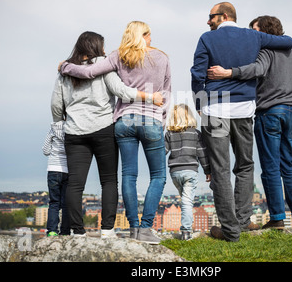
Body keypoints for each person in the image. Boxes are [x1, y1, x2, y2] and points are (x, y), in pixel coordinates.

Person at [191, 2, 292, 242]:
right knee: (245, 165)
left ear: (224, 16)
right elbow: (288, 41)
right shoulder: (254, 37)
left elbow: (197, 75)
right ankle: (241, 220)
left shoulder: (207, 39)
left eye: (211, 17)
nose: (208, 21)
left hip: (214, 108)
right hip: (244, 109)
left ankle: (230, 230)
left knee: (220, 169)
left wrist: (199, 106)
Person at [60, 21, 171, 244]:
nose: (151, 40)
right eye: (149, 36)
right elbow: (166, 92)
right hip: (151, 119)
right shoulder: (162, 57)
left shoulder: (117, 56)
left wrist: (65, 66)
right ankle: (146, 229)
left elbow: (89, 71)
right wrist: (162, 122)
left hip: (124, 120)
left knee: (128, 176)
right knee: (158, 175)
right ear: (145, 35)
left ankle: (133, 228)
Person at [207, 15, 292, 229]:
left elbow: (258, 70)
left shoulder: (266, 51)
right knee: (288, 165)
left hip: (270, 112)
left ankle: (278, 218)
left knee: (270, 167)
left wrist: (229, 72)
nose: (252, 34)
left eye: (255, 30)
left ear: (264, 31)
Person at [165, 104, 211, 240]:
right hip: (190, 171)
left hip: (175, 173)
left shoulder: (169, 134)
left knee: (184, 200)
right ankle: (186, 231)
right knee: (187, 201)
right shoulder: (195, 133)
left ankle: (186, 228)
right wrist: (207, 170)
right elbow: (202, 153)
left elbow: (163, 152)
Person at [42, 120, 70, 236]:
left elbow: (45, 150)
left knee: (54, 203)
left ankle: (52, 231)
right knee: (66, 204)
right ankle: (65, 232)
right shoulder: (73, 128)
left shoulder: (52, 129)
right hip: (68, 170)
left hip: (53, 169)